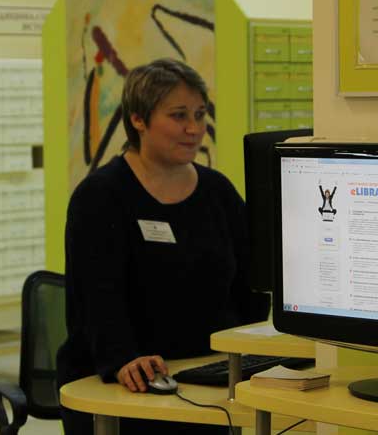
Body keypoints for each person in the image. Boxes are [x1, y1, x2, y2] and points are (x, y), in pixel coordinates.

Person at [57, 58, 268, 435]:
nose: (194, 129)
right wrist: (124, 359)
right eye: (178, 116)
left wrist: (246, 353)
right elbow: (98, 298)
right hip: (127, 384)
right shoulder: (100, 197)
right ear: (138, 119)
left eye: (200, 115)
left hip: (209, 379)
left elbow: (250, 284)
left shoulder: (217, 191)